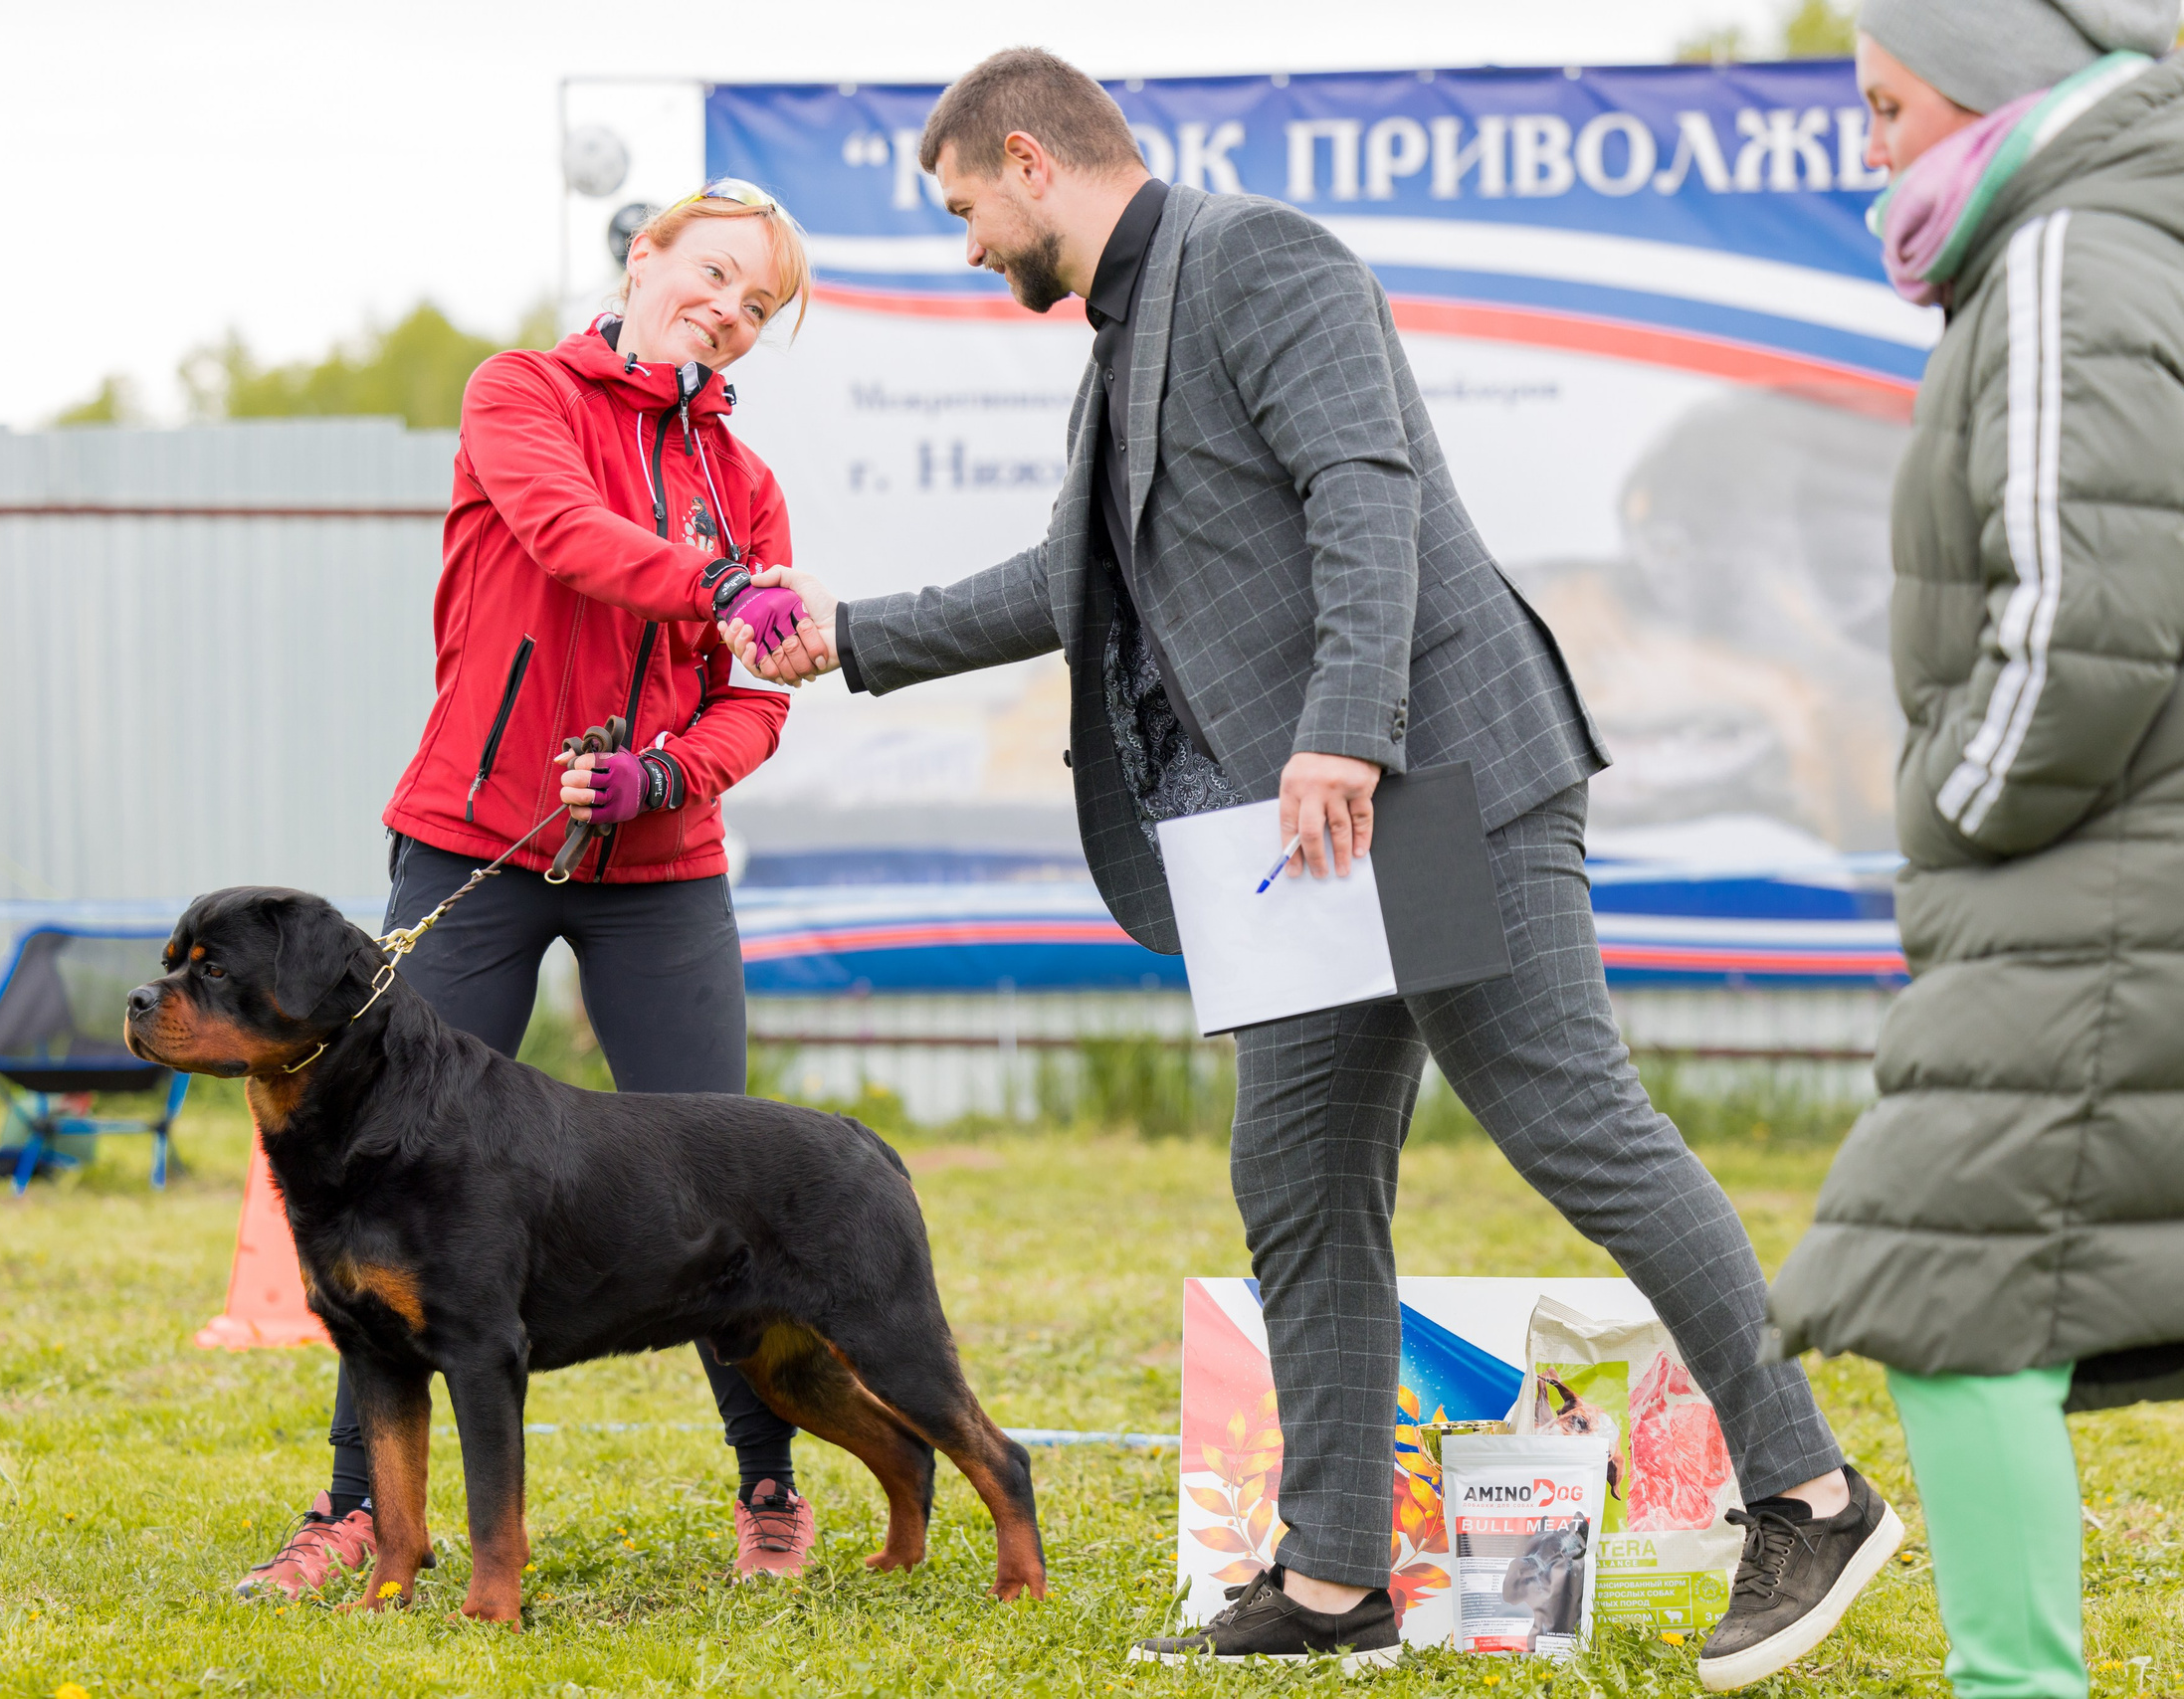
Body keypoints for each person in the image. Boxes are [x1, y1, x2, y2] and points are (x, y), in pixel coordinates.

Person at [733, 48, 1895, 1684]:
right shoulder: (1123, 343)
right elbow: (1070, 585)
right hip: (1309, 846)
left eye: (965, 210)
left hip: (1429, 784)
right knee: (1296, 1181)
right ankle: (1339, 1581)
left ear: (1029, 158)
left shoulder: (1265, 259)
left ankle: (1811, 1489)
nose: (968, 246)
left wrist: (1343, 728)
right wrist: (846, 639)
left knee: (1576, 1123)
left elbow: (1371, 490)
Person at [236, 179, 822, 1599]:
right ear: (645, 255)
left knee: (724, 1188)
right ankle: (353, 1515)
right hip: (471, 846)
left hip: (659, 871)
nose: (730, 316)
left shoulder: (745, 483)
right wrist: (720, 584)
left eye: (759, 309)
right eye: (718, 278)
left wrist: (666, 778)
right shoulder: (519, 396)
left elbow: (758, 704)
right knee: (383, 1186)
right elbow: (568, 538)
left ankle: (769, 1493)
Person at [1767, 7, 2184, 1697]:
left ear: (1996, 79)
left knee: (1945, 1288)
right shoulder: (2100, 231)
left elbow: (2093, 604)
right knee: (1989, 1287)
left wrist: (1953, 802)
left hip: (2085, 875)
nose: (1869, 139)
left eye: (1886, 98)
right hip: (2108, 873)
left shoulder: (2072, 246)